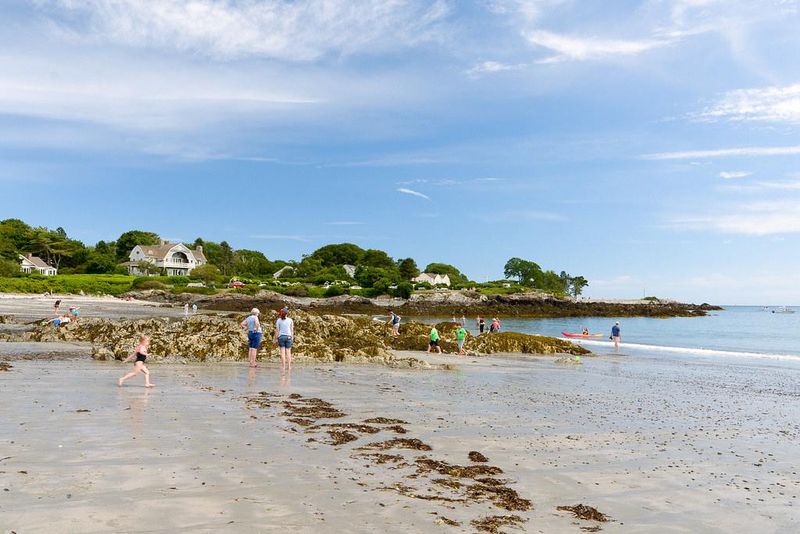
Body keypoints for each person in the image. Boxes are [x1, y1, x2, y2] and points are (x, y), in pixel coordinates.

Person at [274, 308, 294, 373]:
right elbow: (291, 330)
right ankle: (289, 366)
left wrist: (275, 338)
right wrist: (292, 337)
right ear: (287, 313)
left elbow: (277, 330)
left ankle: (283, 366)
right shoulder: (290, 320)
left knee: (282, 352)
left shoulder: (278, 320)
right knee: (288, 352)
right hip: (288, 337)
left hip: (281, 337)